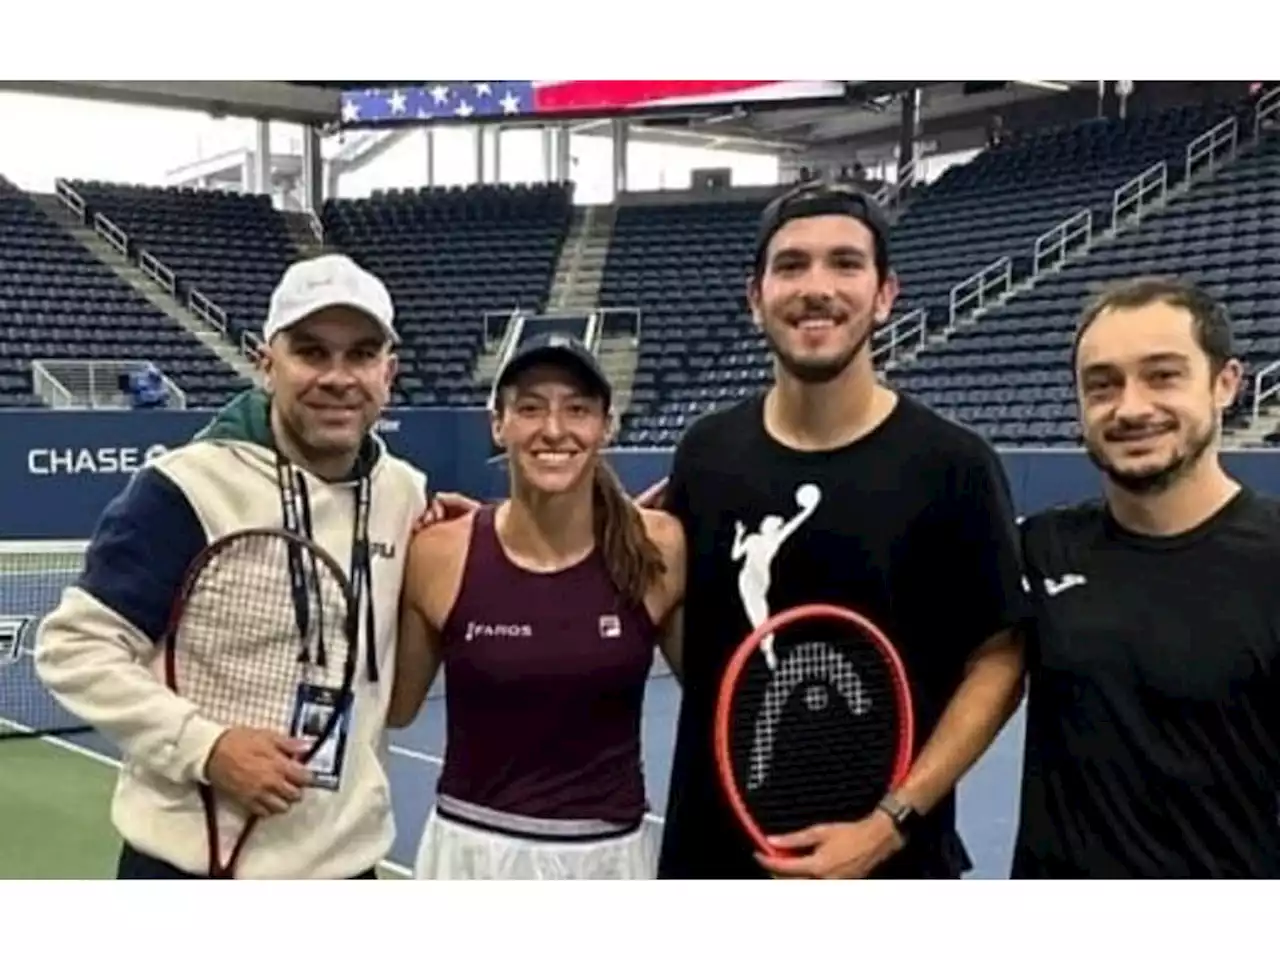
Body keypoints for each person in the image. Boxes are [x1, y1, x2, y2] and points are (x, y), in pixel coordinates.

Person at [654, 180, 1030, 880]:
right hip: (715, 857)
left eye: (845, 264)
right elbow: (697, 641)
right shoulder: (705, 455)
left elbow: (1000, 660)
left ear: (886, 294)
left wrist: (892, 822)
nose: (816, 286)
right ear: (755, 295)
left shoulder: (953, 465)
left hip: (893, 867)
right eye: (791, 265)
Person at [35, 252, 439, 880]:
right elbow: (72, 648)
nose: (338, 377)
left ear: (389, 371)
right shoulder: (184, 487)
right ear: (264, 362)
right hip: (187, 870)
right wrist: (209, 747)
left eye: (360, 354)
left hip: (347, 871)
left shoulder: (405, 494)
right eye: (310, 352)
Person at [387, 332, 686, 880]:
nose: (554, 429)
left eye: (577, 409)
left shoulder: (660, 549)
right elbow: (396, 708)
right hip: (468, 857)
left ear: (607, 425)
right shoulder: (438, 553)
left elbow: (718, 688)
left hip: (609, 860)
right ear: (498, 424)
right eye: (529, 408)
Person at [1012, 276, 1280, 879]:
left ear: (1226, 384)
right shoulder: (1040, 548)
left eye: (1163, 375)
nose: (1130, 408)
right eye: (1101, 385)